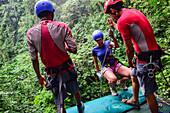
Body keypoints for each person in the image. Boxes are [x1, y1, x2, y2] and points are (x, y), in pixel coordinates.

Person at [104, 0, 163, 112]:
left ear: (113, 10)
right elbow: (126, 29)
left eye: (110, 14)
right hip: (152, 54)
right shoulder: (132, 12)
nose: (111, 16)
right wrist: (114, 25)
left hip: (146, 60)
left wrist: (129, 61)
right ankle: (135, 100)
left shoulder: (122, 20)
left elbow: (129, 49)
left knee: (148, 93)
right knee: (134, 74)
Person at [26, 0, 84, 113]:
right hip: (67, 67)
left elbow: (34, 59)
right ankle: (79, 106)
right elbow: (74, 49)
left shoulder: (30, 34)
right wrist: (64, 47)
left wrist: (39, 76)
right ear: (51, 13)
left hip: (52, 72)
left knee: (59, 101)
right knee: (74, 89)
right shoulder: (62, 27)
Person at [92, 29, 131, 96]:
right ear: (95, 41)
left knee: (132, 74)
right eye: (97, 40)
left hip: (114, 64)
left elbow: (117, 46)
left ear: (102, 38)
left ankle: (120, 82)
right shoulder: (95, 50)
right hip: (106, 67)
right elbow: (96, 62)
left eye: (100, 39)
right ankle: (112, 88)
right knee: (113, 79)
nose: (99, 41)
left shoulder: (108, 42)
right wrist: (98, 72)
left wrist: (113, 37)